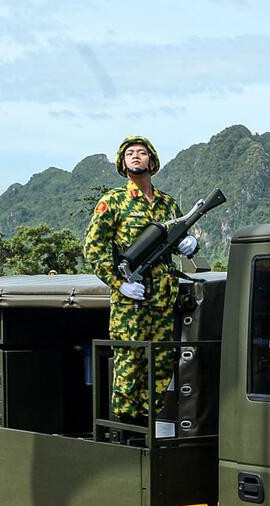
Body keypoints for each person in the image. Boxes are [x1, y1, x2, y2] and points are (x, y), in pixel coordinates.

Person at [81, 135, 197, 426]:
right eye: (129, 153)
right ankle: (126, 429)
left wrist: (190, 244)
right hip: (130, 302)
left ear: (152, 161)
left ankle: (148, 423)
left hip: (161, 299)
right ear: (122, 163)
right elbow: (92, 248)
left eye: (141, 153)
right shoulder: (113, 202)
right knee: (130, 365)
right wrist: (119, 283)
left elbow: (181, 236)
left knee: (159, 365)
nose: (135, 157)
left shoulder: (167, 204)